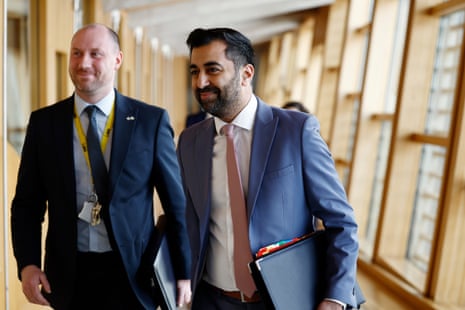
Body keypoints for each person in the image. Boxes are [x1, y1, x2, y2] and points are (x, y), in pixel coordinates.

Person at [10, 23, 191, 310]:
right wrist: (28, 264)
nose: (84, 63)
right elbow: (26, 205)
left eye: (96, 54)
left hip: (134, 276)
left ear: (118, 59)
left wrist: (183, 272)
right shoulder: (45, 123)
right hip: (69, 276)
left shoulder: (150, 121)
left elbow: (176, 203)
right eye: (77, 53)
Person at [177, 27, 359, 310]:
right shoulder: (190, 141)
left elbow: (341, 221)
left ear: (246, 74)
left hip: (284, 299)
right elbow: (188, 220)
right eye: (194, 71)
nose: (201, 82)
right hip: (211, 300)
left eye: (212, 70)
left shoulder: (296, 131)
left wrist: (336, 297)